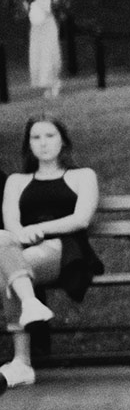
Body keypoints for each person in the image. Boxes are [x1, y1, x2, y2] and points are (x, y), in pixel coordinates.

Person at [1, 116, 100, 389]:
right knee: (2, 243)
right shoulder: (16, 181)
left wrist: (39, 229)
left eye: (50, 136)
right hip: (23, 248)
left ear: (63, 141)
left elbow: (81, 219)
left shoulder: (83, 176)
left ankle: (22, 361)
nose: (43, 143)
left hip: (65, 250)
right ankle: (30, 304)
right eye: (36, 137)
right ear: (28, 145)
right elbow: (11, 223)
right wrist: (22, 234)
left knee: (8, 269)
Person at [22, 0, 63, 99]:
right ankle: (46, 86)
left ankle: (54, 84)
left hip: (48, 25)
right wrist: (29, 3)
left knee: (49, 55)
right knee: (38, 56)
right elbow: (25, 7)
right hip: (36, 28)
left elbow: (56, 4)